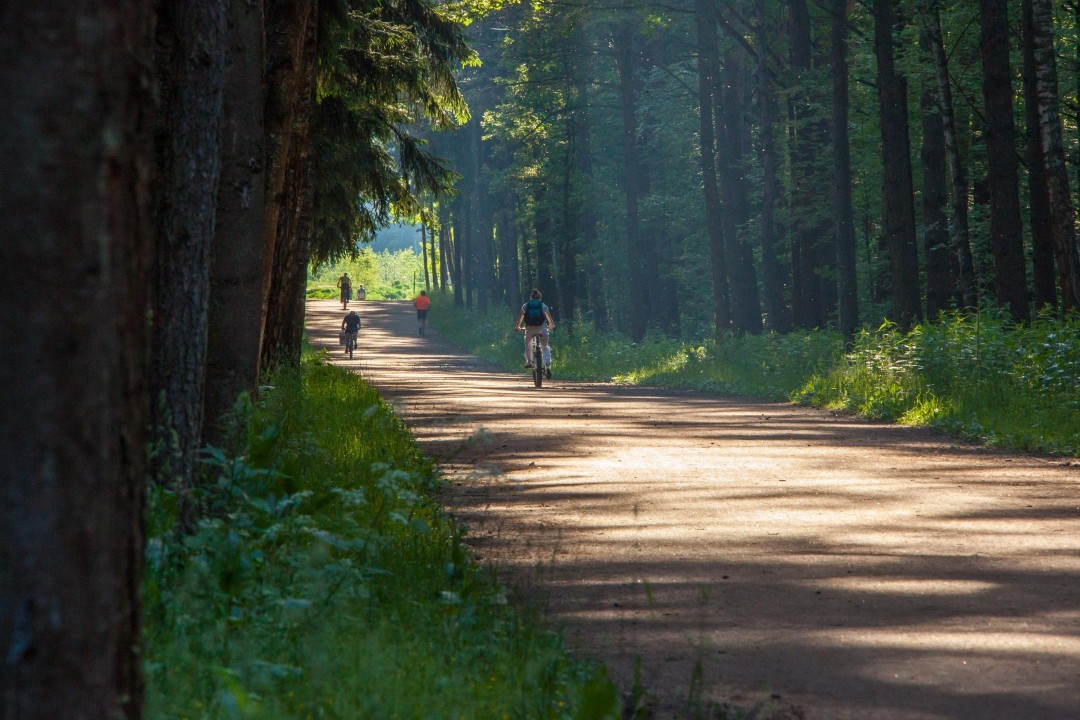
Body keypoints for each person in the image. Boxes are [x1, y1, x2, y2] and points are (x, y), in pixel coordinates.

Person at [514, 289, 555, 378]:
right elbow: (550, 320)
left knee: (528, 342)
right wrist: (551, 327)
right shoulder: (543, 306)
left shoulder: (525, 306)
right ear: (540, 298)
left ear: (531, 297)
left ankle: (529, 361)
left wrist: (517, 327)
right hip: (542, 329)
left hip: (529, 329)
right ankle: (547, 365)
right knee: (545, 346)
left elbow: (520, 317)